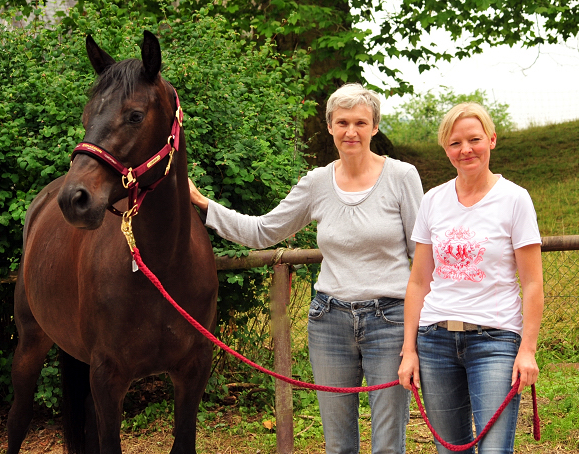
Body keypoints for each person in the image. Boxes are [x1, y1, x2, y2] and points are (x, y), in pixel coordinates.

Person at [189, 83, 423, 454]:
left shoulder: (402, 177)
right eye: (342, 122)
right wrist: (205, 205)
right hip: (330, 321)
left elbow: (422, 254)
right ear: (329, 126)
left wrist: (420, 328)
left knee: (389, 443)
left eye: (361, 122)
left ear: (374, 127)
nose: (351, 132)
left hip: (390, 322)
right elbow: (264, 230)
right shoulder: (316, 183)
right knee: (338, 444)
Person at [397, 102, 544, 454]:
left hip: (495, 341)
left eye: (474, 139)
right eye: (455, 143)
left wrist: (527, 350)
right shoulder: (433, 200)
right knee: (451, 449)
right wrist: (408, 350)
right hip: (435, 341)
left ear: (491, 140)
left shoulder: (514, 199)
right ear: (446, 149)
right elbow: (418, 281)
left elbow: (533, 283)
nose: (465, 150)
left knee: (494, 449)